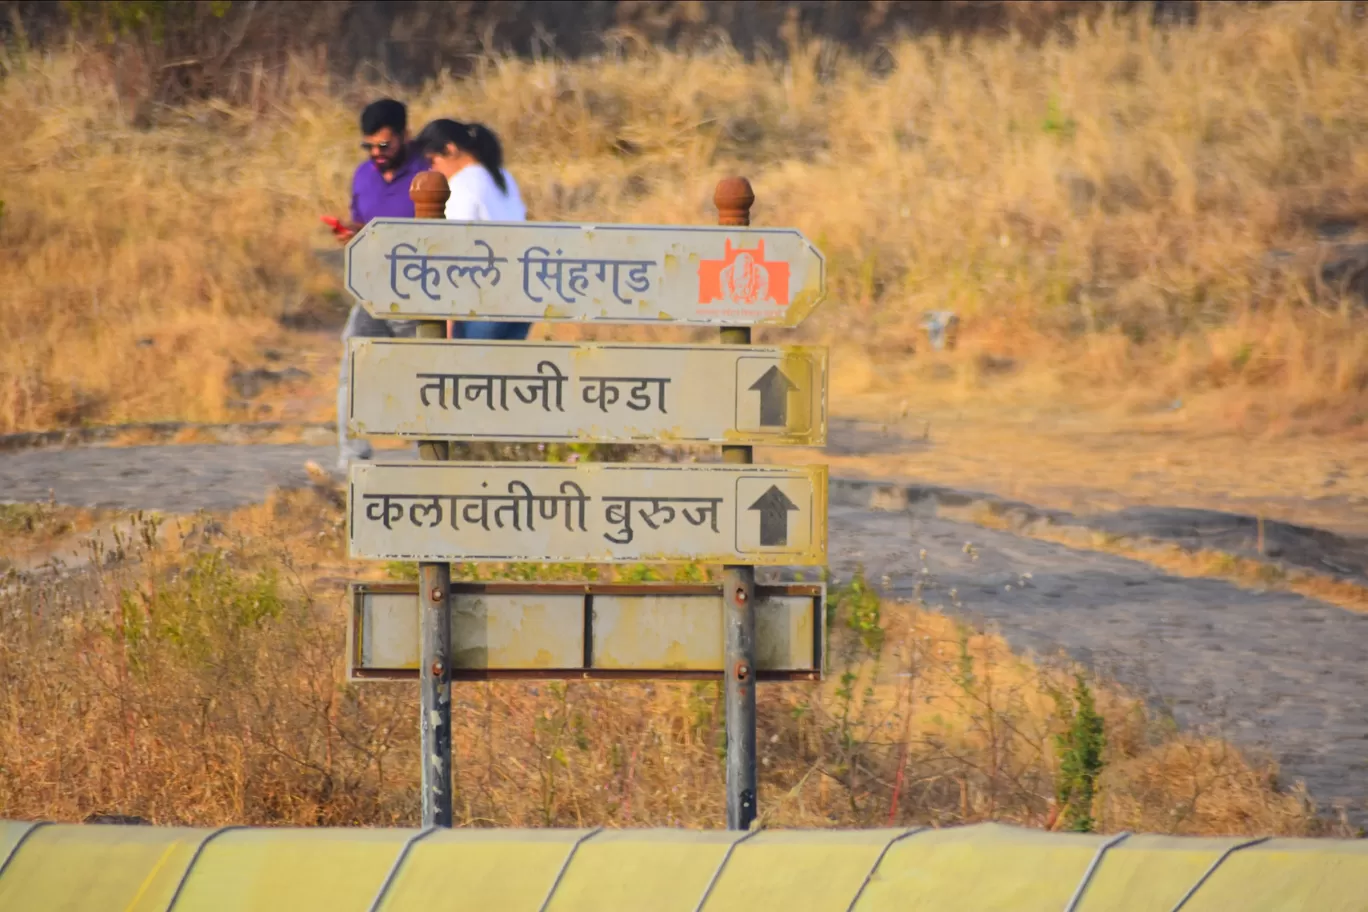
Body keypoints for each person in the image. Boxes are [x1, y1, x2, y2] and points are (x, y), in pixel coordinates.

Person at [330, 98, 430, 471]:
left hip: (421, 295)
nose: (376, 153)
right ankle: (352, 457)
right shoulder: (363, 175)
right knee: (353, 367)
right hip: (373, 291)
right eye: (369, 146)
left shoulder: (429, 171)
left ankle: (431, 457)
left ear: (405, 135)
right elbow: (365, 223)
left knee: (425, 376)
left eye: (384, 145)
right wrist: (352, 234)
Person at [414, 119, 533, 342]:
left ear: (450, 149)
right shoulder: (502, 177)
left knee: (469, 372)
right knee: (505, 372)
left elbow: (455, 257)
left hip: (485, 298)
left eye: (433, 160)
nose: (432, 169)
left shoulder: (461, 185)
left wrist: (447, 321)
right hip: (521, 295)